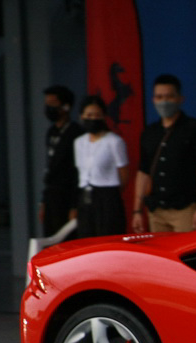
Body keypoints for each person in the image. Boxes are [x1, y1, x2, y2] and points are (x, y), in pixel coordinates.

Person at [132, 75, 196, 234]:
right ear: (153, 99)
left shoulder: (195, 128)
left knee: (188, 254)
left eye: (169, 96)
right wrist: (137, 211)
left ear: (180, 98)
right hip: (156, 210)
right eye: (159, 97)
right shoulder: (149, 132)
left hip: (185, 208)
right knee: (160, 256)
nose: (164, 101)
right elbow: (143, 172)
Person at [73, 96, 129, 237]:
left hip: (107, 197)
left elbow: (124, 174)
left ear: (104, 117)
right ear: (82, 116)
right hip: (86, 196)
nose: (92, 119)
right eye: (89, 115)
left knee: (108, 238)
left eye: (97, 115)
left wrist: (110, 192)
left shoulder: (114, 141)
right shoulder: (79, 142)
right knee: (85, 238)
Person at [38, 84, 82, 238]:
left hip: (67, 196)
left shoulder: (76, 133)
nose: (48, 108)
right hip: (52, 195)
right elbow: (49, 166)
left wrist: (74, 205)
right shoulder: (51, 132)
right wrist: (43, 201)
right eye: (46, 104)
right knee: (50, 238)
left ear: (65, 106)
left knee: (66, 239)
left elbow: (77, 171)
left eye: (53, 104)